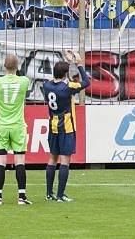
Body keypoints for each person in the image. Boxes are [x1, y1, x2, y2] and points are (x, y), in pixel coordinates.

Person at [42, 50, 90, 202]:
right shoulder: (67, 88)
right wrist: (79, 64)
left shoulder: (47, 85)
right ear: (65, 74)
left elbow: (58, 78)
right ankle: (60, 195)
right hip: (66, 125)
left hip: (53, 124)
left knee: (52, 159)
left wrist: (67, 64)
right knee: (65, 160)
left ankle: (49, 193)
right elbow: (87, 82)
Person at [0, 53, 32, 205]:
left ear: (4, 66)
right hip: (18, 126)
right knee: (20, 161)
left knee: (0, 161)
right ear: (17, 67)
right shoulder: (23, 81)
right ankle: (22, 197)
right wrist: (16, 70)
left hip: (1, 126)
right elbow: (23, 78)